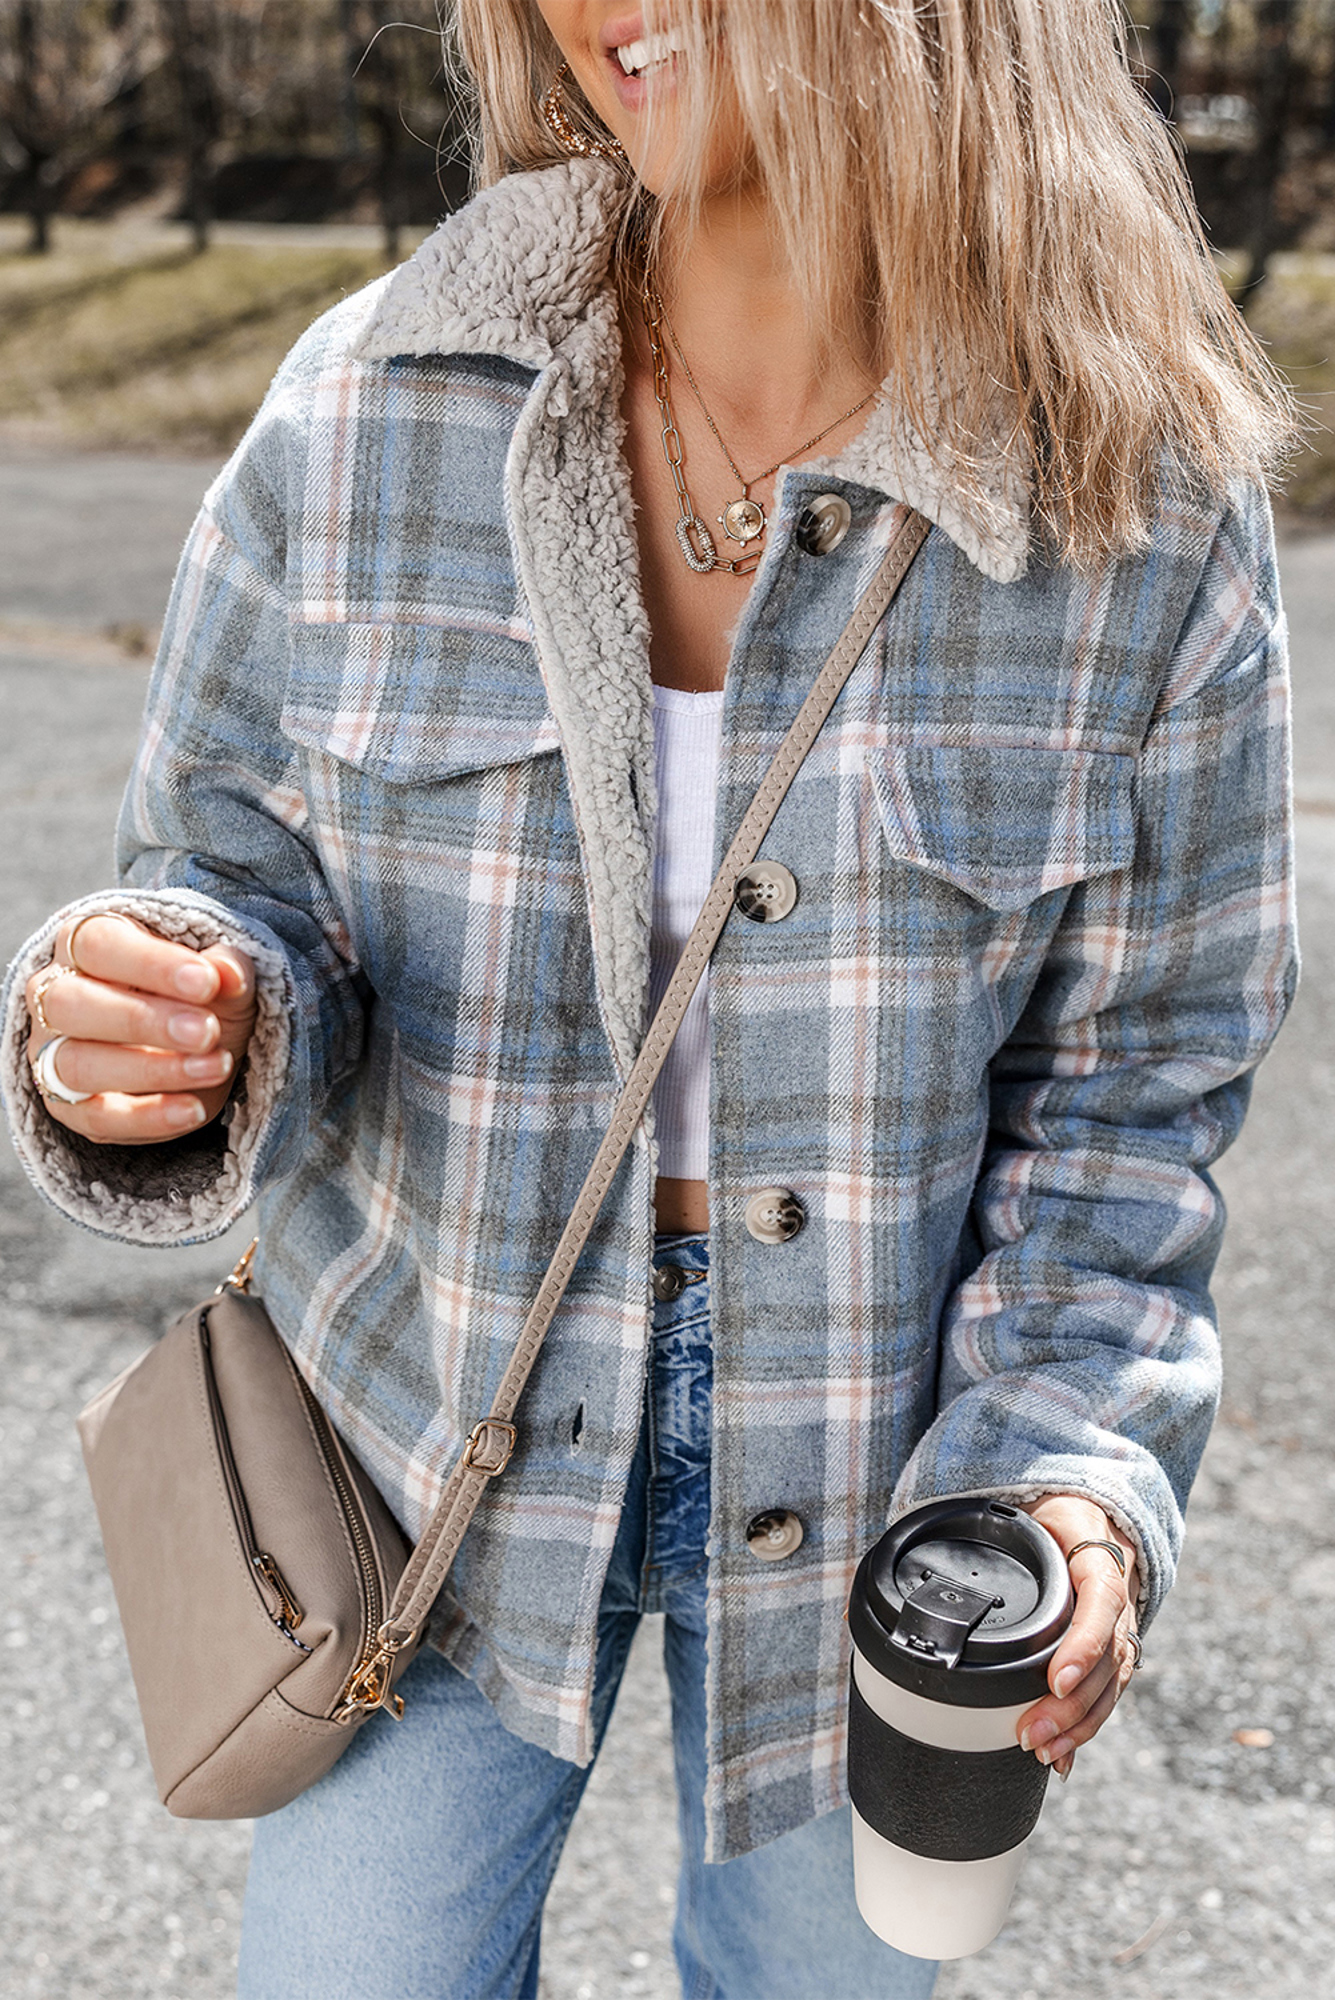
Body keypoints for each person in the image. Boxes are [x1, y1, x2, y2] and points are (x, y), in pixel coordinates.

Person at [1, 2, 1298, 1995]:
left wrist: (1067, 1471)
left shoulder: (1140, 500)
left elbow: (1131, 1103)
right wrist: (165, 1025)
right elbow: (225, 883)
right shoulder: (364, 409)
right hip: (414, 1438)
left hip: (885, 1489)